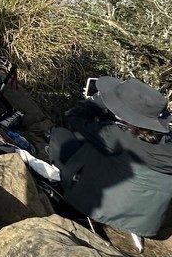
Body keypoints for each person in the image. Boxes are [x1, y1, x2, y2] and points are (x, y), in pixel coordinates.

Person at [48, 77, 172, 240]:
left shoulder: (113, 135)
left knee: (61, 136)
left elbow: (73, 116)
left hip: (97, 207)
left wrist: (99, 102)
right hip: (147, 222)